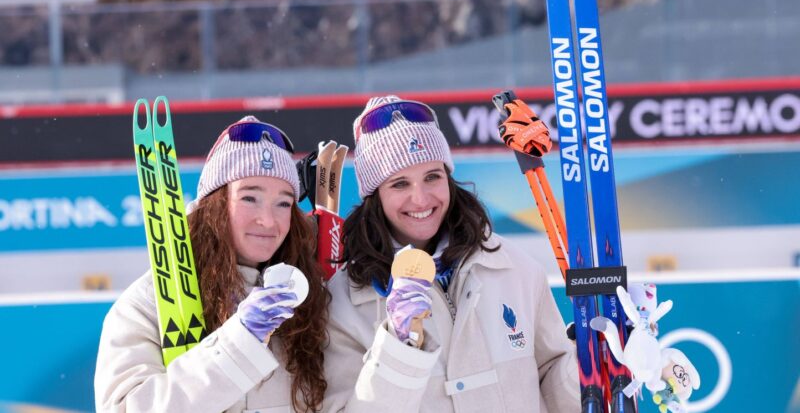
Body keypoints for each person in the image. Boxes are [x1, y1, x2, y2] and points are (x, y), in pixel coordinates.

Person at [323, 96, 580, 412]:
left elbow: (556, 389)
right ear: (375, 196)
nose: (421, 199)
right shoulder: (344, 304)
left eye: (432, 176)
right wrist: (398, 349)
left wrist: (588, 363)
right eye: (400, 184)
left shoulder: (514, 267)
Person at [95, 116, 329, 412]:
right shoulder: (148, 303)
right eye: (250, 198)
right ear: (215, 203)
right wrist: (238, 343)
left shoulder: (310, 300)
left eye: (283, 203)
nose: (269, 220)